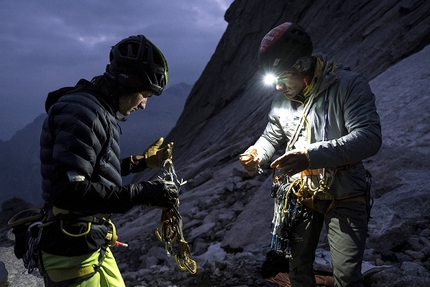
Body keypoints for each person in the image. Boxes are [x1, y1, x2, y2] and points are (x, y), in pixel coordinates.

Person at [239, 22, 382, 287]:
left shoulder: (349, 86)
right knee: (297, 269)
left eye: (282, 78)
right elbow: (272, 135)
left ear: (303, 66)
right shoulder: (283, 99)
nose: (278, 88)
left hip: (346, 191)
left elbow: (369, 138)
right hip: (301, 194)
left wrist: (309, 156)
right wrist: (257, 153)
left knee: (348, 274)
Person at [38, 35, 177, 286]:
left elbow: (93, 172)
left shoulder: (97, 109)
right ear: (129, 83)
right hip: (72, 257)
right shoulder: (83, 113)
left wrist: (142, 163)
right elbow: (68, 191)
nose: (144, 105)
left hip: (90, 245)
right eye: (145, 94)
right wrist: (143, 193)